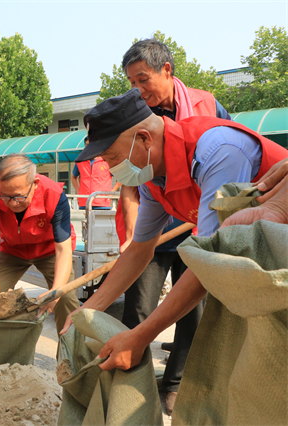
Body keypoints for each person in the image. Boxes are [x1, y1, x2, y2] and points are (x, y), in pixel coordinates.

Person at [60, 89, 287, 392]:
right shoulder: (153, 176)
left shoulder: (218, 151)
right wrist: (88, 311)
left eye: (112, 158)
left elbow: (210, 263)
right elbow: (140, 250)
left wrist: (141, 336)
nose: (112, 169)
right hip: (251, 258)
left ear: (144, 138)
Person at [114, 38, 234, 413]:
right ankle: (133, 379)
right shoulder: (136, 116)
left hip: (200, 222)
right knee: (139, 307)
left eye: (143, 79)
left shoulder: (207, 106)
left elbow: (230, 165)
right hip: (157, 224)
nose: (138, 90)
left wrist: (205, 219)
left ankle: (176, 382)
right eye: (131, 82)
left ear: (167, 70)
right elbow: (132, 186)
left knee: (192, 311)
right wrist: (134, 237)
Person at [0, 154, 78, 333]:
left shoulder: (54, 196)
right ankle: (2, 353)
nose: (12, 203)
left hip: (49, 250)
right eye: (5, 196)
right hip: (12, 250)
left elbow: (63, 249)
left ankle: (69, 358)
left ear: (34, 183)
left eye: (18, 197)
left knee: (64, 298)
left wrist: (56, 291)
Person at [71, 136, 120, 209]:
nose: (90, 147)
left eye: (92, 144)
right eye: (87, 145)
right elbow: (73, 177)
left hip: (102, 203)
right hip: (84, 202)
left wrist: (111, 192)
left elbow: (122, 177)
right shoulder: (80, 161)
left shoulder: (107, 160)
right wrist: (78, 193)